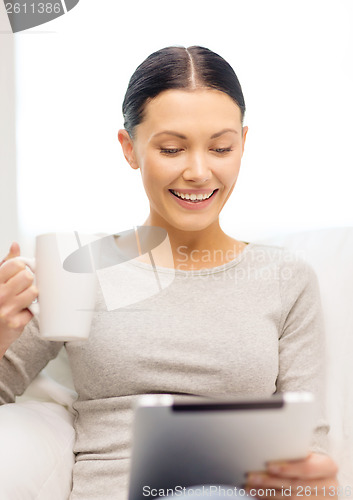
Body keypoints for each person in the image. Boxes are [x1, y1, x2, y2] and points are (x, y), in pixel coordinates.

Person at [0, 45, 338, 499]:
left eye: (221, 147)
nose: (199, 171)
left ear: (243, 144)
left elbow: (311, 461)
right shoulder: (79, 267)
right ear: (130, 148)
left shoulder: (285, 278)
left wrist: (313, 479)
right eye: (172, 148)